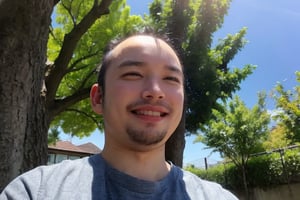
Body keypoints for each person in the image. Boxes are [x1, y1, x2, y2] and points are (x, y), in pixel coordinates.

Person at [0, 32, 238, 200]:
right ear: (98, 98)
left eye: (170, 79)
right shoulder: (35, 191)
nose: (155, 91)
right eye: (133, 74)